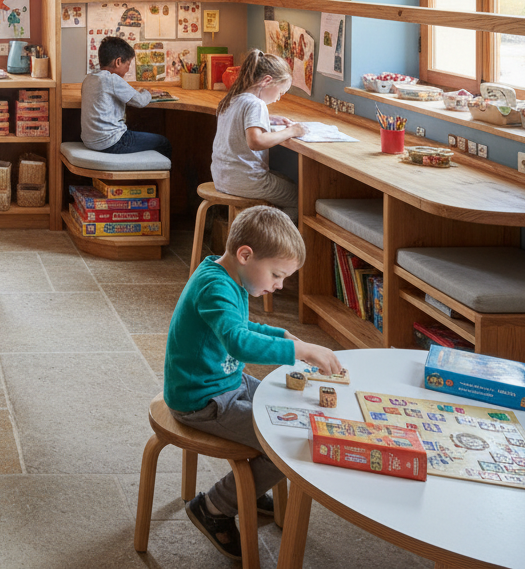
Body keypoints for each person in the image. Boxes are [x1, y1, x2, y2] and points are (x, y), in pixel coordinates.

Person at [165, 206, 342, 559]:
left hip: (225, 381)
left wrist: (284, 334)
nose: (279, 285)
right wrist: (298, 348)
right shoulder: (215, 288)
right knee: (287, 444)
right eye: (277, 275)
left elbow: (243, 329)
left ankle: (247, 488)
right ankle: (214, 507)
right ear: (245, 255)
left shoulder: (229, 275)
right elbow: (238, 342)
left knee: (290, 415)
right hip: (201, 400)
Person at [211, 50, 304, 222]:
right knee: (301, 200)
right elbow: (256, 141)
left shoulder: (233, 98)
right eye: (281, 91)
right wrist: (291, 131)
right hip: (246, 181)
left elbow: (240, 121)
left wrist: (267, 119)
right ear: (267, 81)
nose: (279, 98)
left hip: (223, 177)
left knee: (285, 181)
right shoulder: (256, 104)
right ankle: (269, 238)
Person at [80, 36, 171, 158]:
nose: (128, 70)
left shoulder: (89, 79)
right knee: (163, 142)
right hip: (112, 142)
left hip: (90, 141)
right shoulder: (113, 79)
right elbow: (140, 101)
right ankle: (157, 175)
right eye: (128, 64)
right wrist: (147, 92)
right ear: (118, 62)